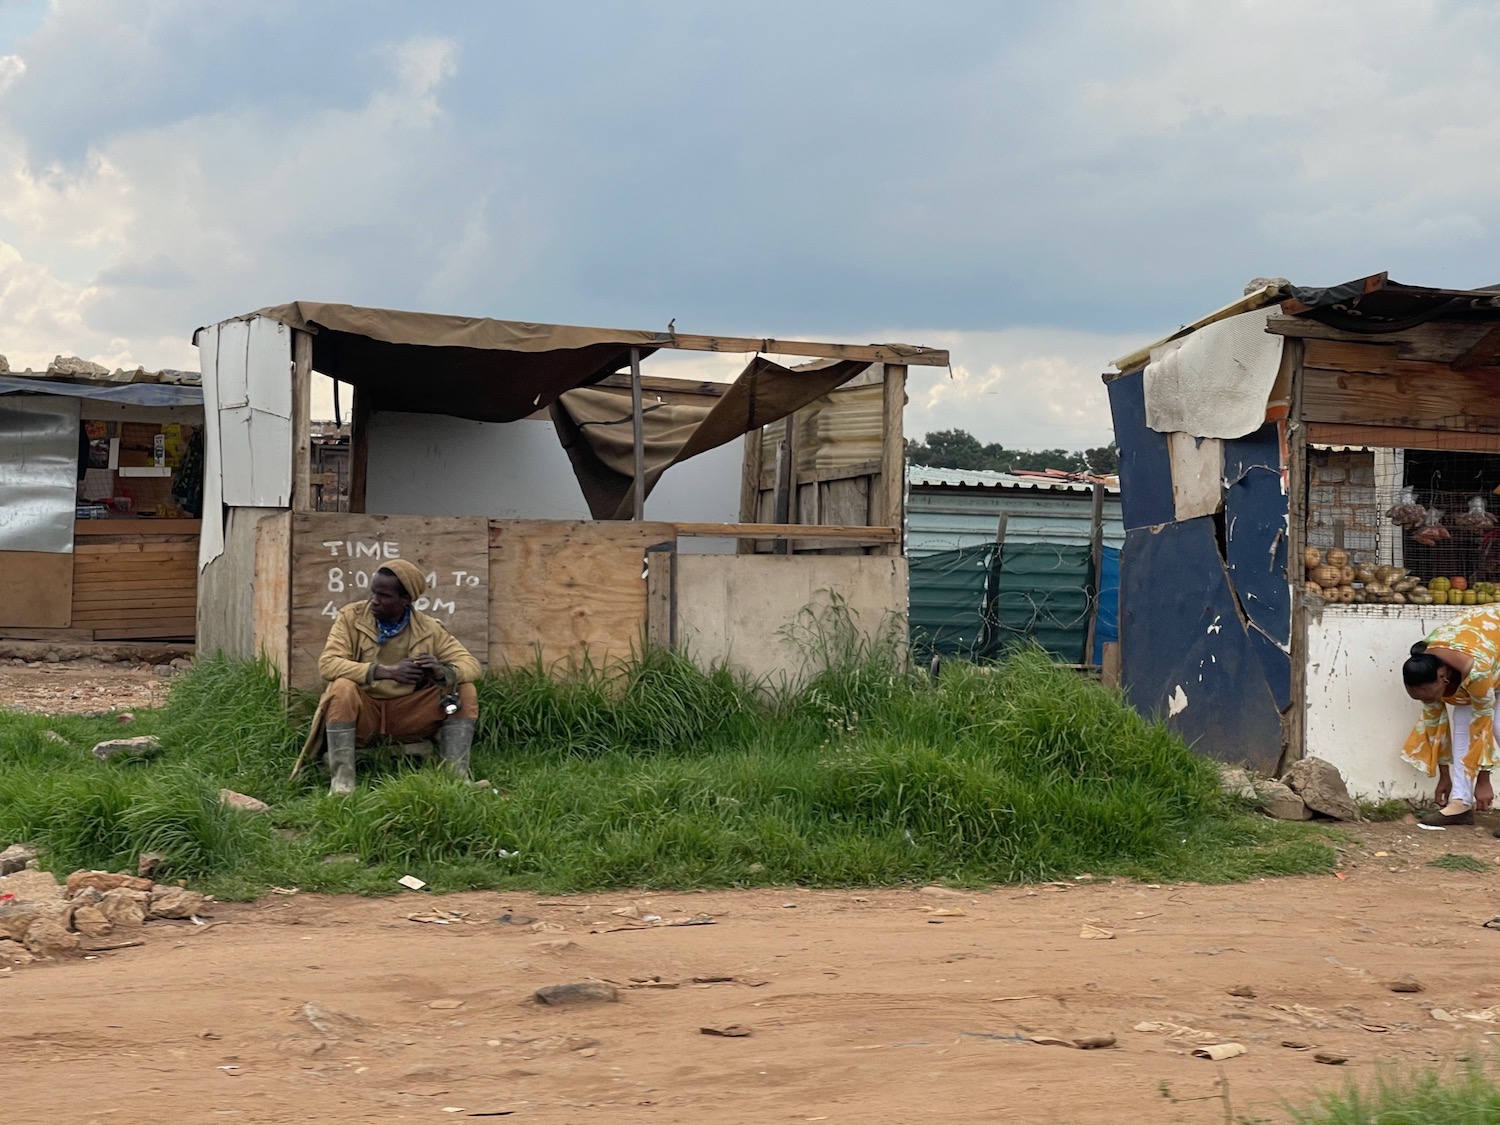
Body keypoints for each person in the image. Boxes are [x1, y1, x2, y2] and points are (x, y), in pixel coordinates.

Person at [314, 558, 481, 795]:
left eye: (384, 595)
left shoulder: (428, 628)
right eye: (373, 592)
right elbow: (328, 664)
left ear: (406, 600)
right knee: (342, 687)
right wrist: (384, 671)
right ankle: (342, 784)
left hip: (408, 717)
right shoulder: (351, 617)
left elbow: (471, 665)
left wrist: (441, 671)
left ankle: (456, 776)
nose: (374, 601)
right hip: (365, 715)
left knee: (465, 688)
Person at [1401, 603, 1500, 828]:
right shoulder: (1426, 663)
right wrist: (1444, 777)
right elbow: (1437, 729)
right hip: (1490, 657)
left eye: (1430, 695)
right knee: (1461, 723)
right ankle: (1460, 804)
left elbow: (1483, 728)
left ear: (1442, 675)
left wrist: (1484, 781)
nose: (1429, 701)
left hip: (1490, 659)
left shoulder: (1476, 669)